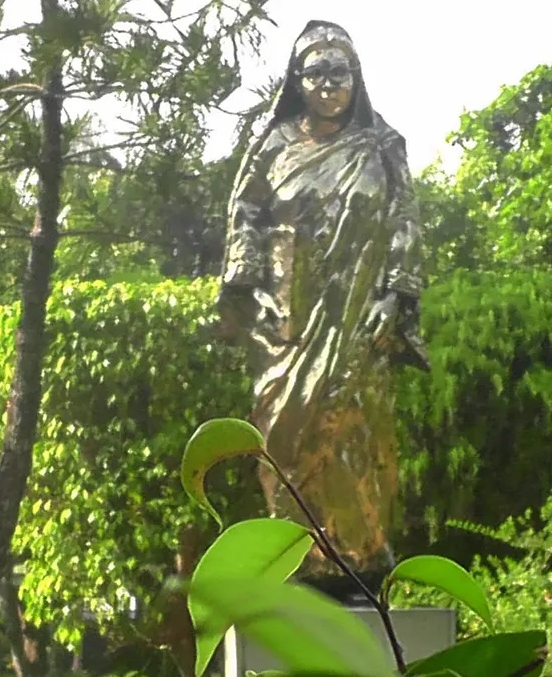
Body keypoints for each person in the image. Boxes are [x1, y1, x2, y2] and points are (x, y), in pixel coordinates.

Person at [217, 19, 428, 585]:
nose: (330, 85)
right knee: (284, 426)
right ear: (297, 80)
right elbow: (245, 214)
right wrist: (248, 288)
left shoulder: (382, 146)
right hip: (288, 317)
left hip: (360, 317)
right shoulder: (273, 145)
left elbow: (404, 220)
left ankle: (361, 556)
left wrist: (395, 294)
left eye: (341, 73)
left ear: (357, 79)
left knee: (356, 430)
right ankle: (297, 558)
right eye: (316, 74)